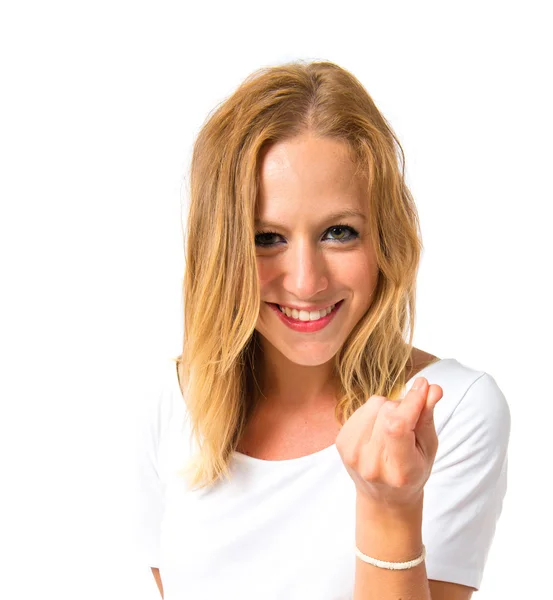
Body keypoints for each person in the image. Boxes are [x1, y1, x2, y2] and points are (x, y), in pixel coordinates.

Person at [131, 60, 511, 600]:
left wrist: (389, 505)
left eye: (339, 232)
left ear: (386, 238)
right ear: (220, 251)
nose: (306, 282)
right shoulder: (171, 404)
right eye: (266, 238)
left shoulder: (451, 410)